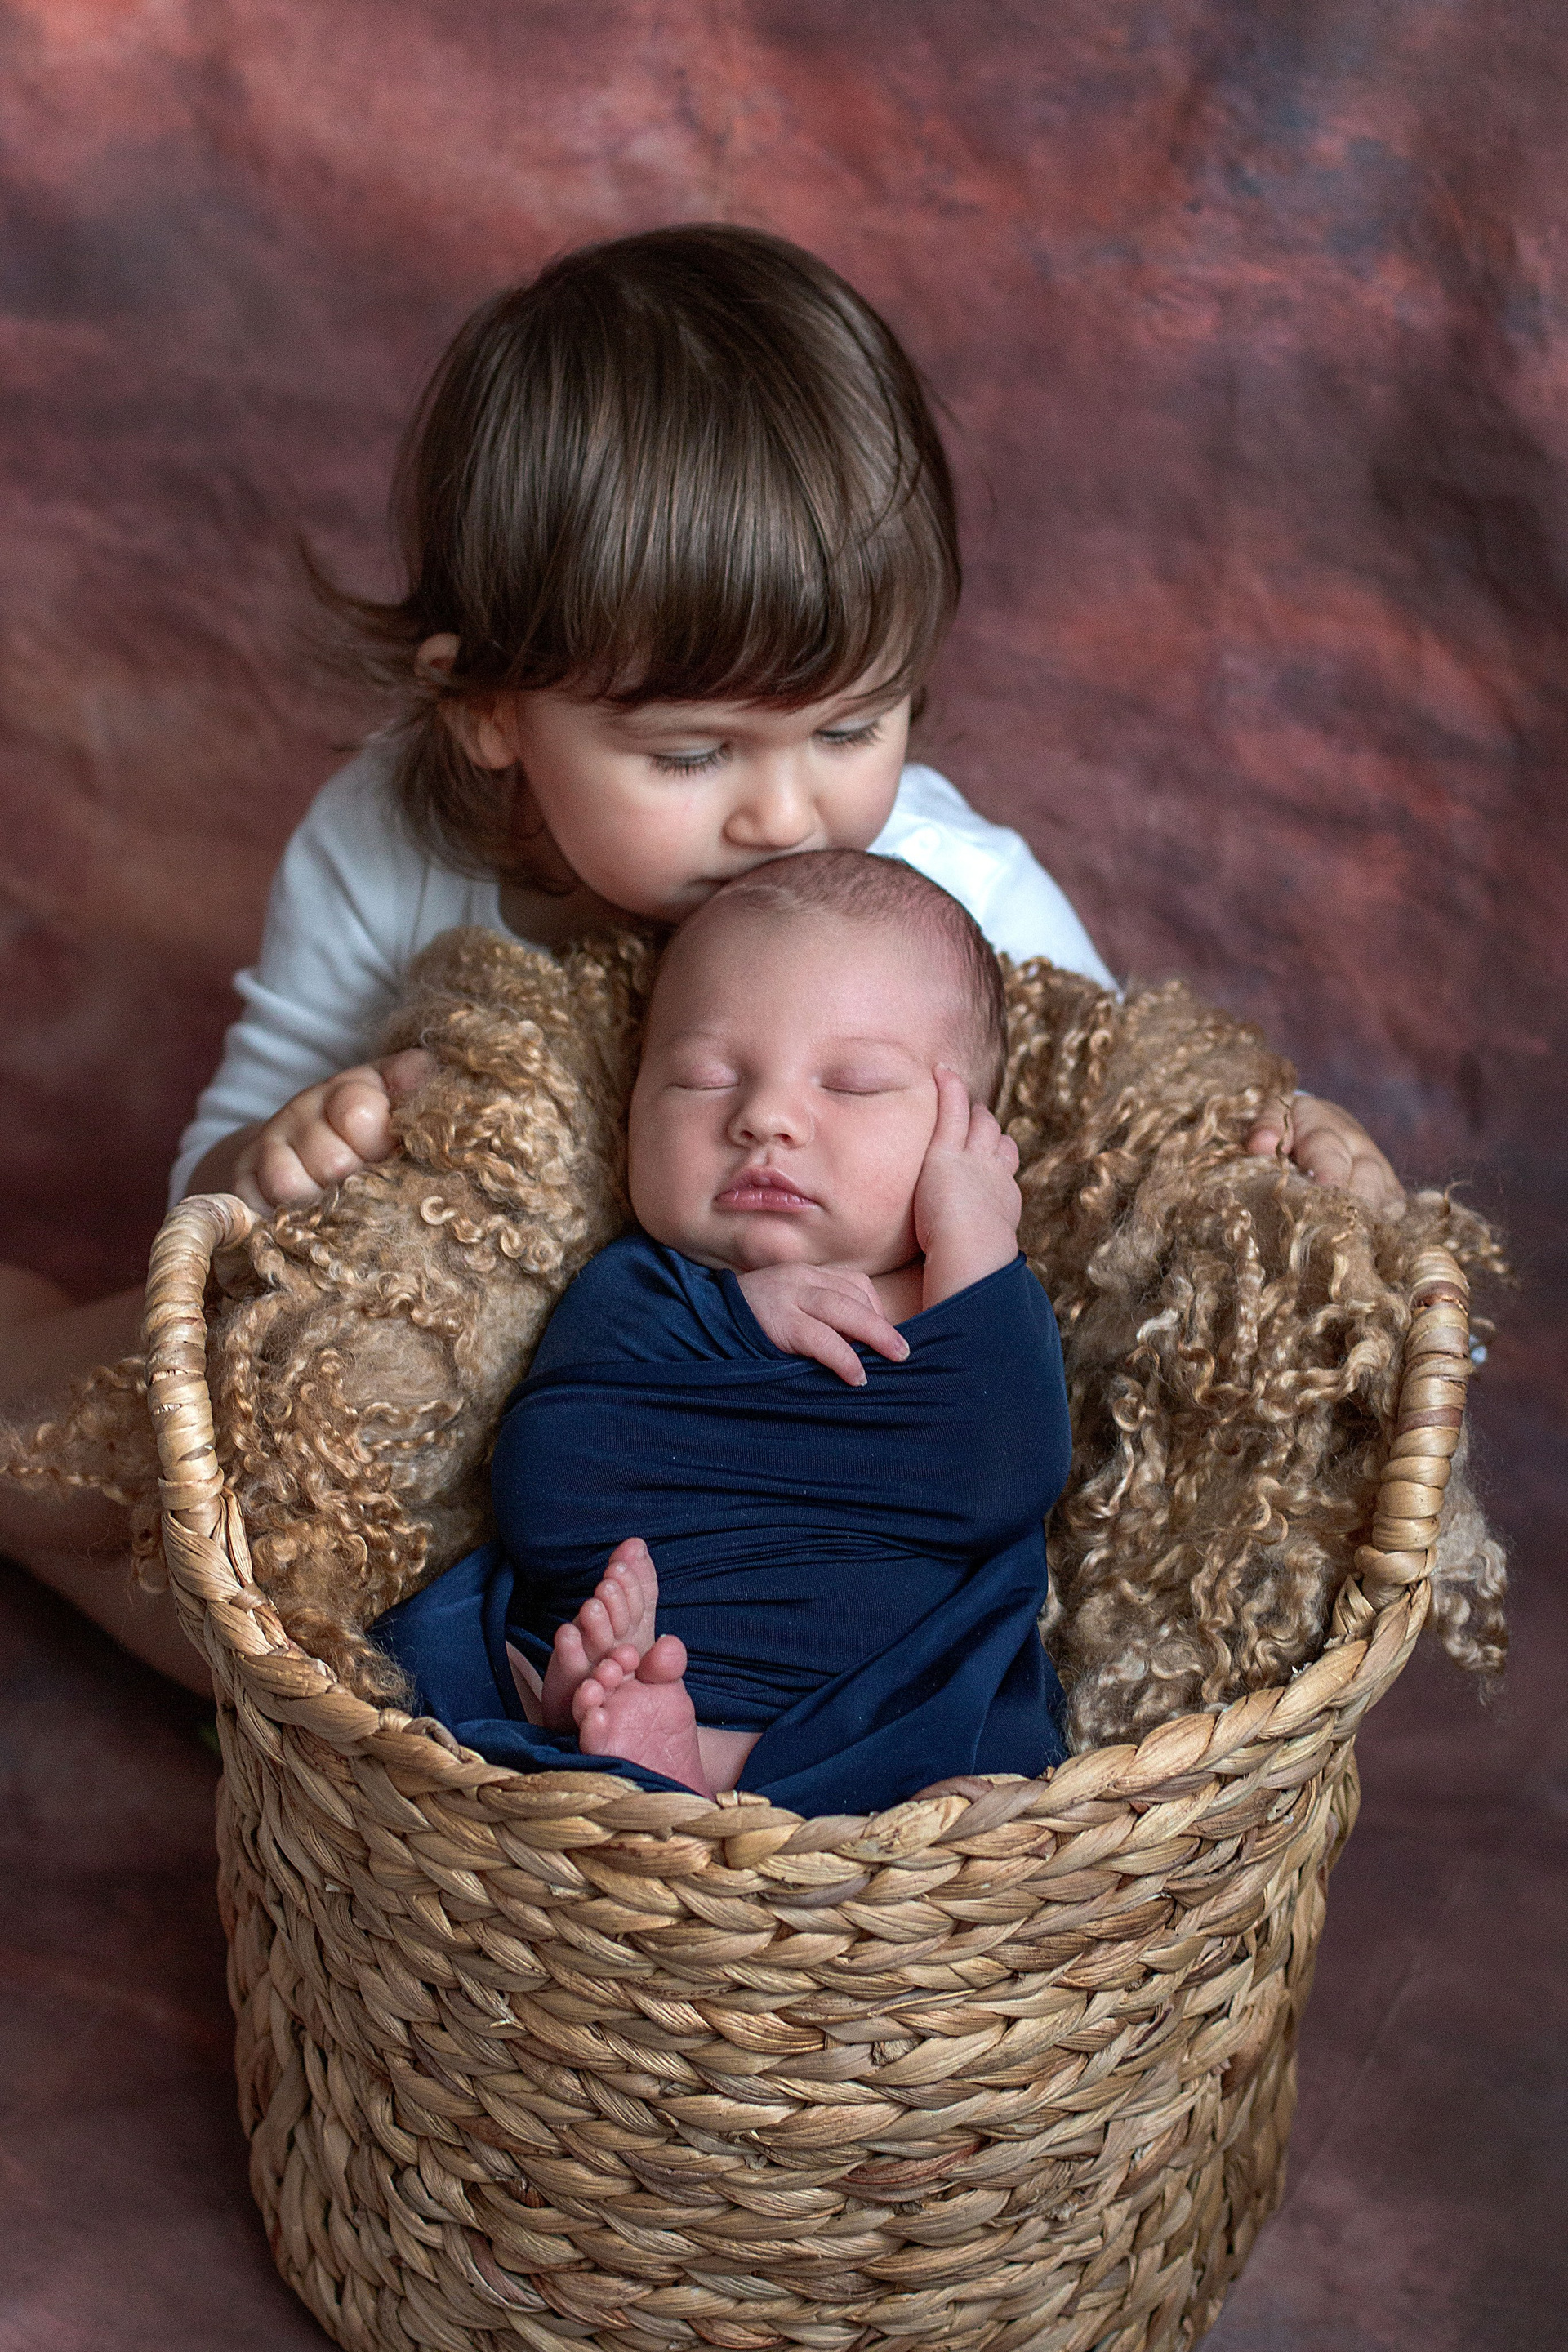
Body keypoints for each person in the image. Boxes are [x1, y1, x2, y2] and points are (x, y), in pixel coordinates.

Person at [0, 224, 1397, 1695]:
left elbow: (1125, 1165)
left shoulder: (956, 897)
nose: (785, 814)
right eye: (689, 753)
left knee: (273, 1644)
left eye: (850, 728)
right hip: (458, 1439)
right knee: (202, 1507)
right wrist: (282, 1159)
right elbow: (208, 1208)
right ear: (489, 710)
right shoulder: (387, 849)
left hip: (796, 1500)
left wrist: (1300, 1164)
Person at [377, 851, 1074, 1811]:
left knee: (980, 1736)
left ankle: (692, 1754)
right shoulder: (642, 1283)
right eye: (705, 1078)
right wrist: (731, 1317)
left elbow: (1004, 1484)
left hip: (885, 1691)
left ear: (969, 1134)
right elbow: (552, 1480)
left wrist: (974, 1242)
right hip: (657, 1626)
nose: (766, 1118)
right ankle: (618, 1717)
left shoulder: (974, 1298)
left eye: (855, 1084)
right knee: (453, 1642)